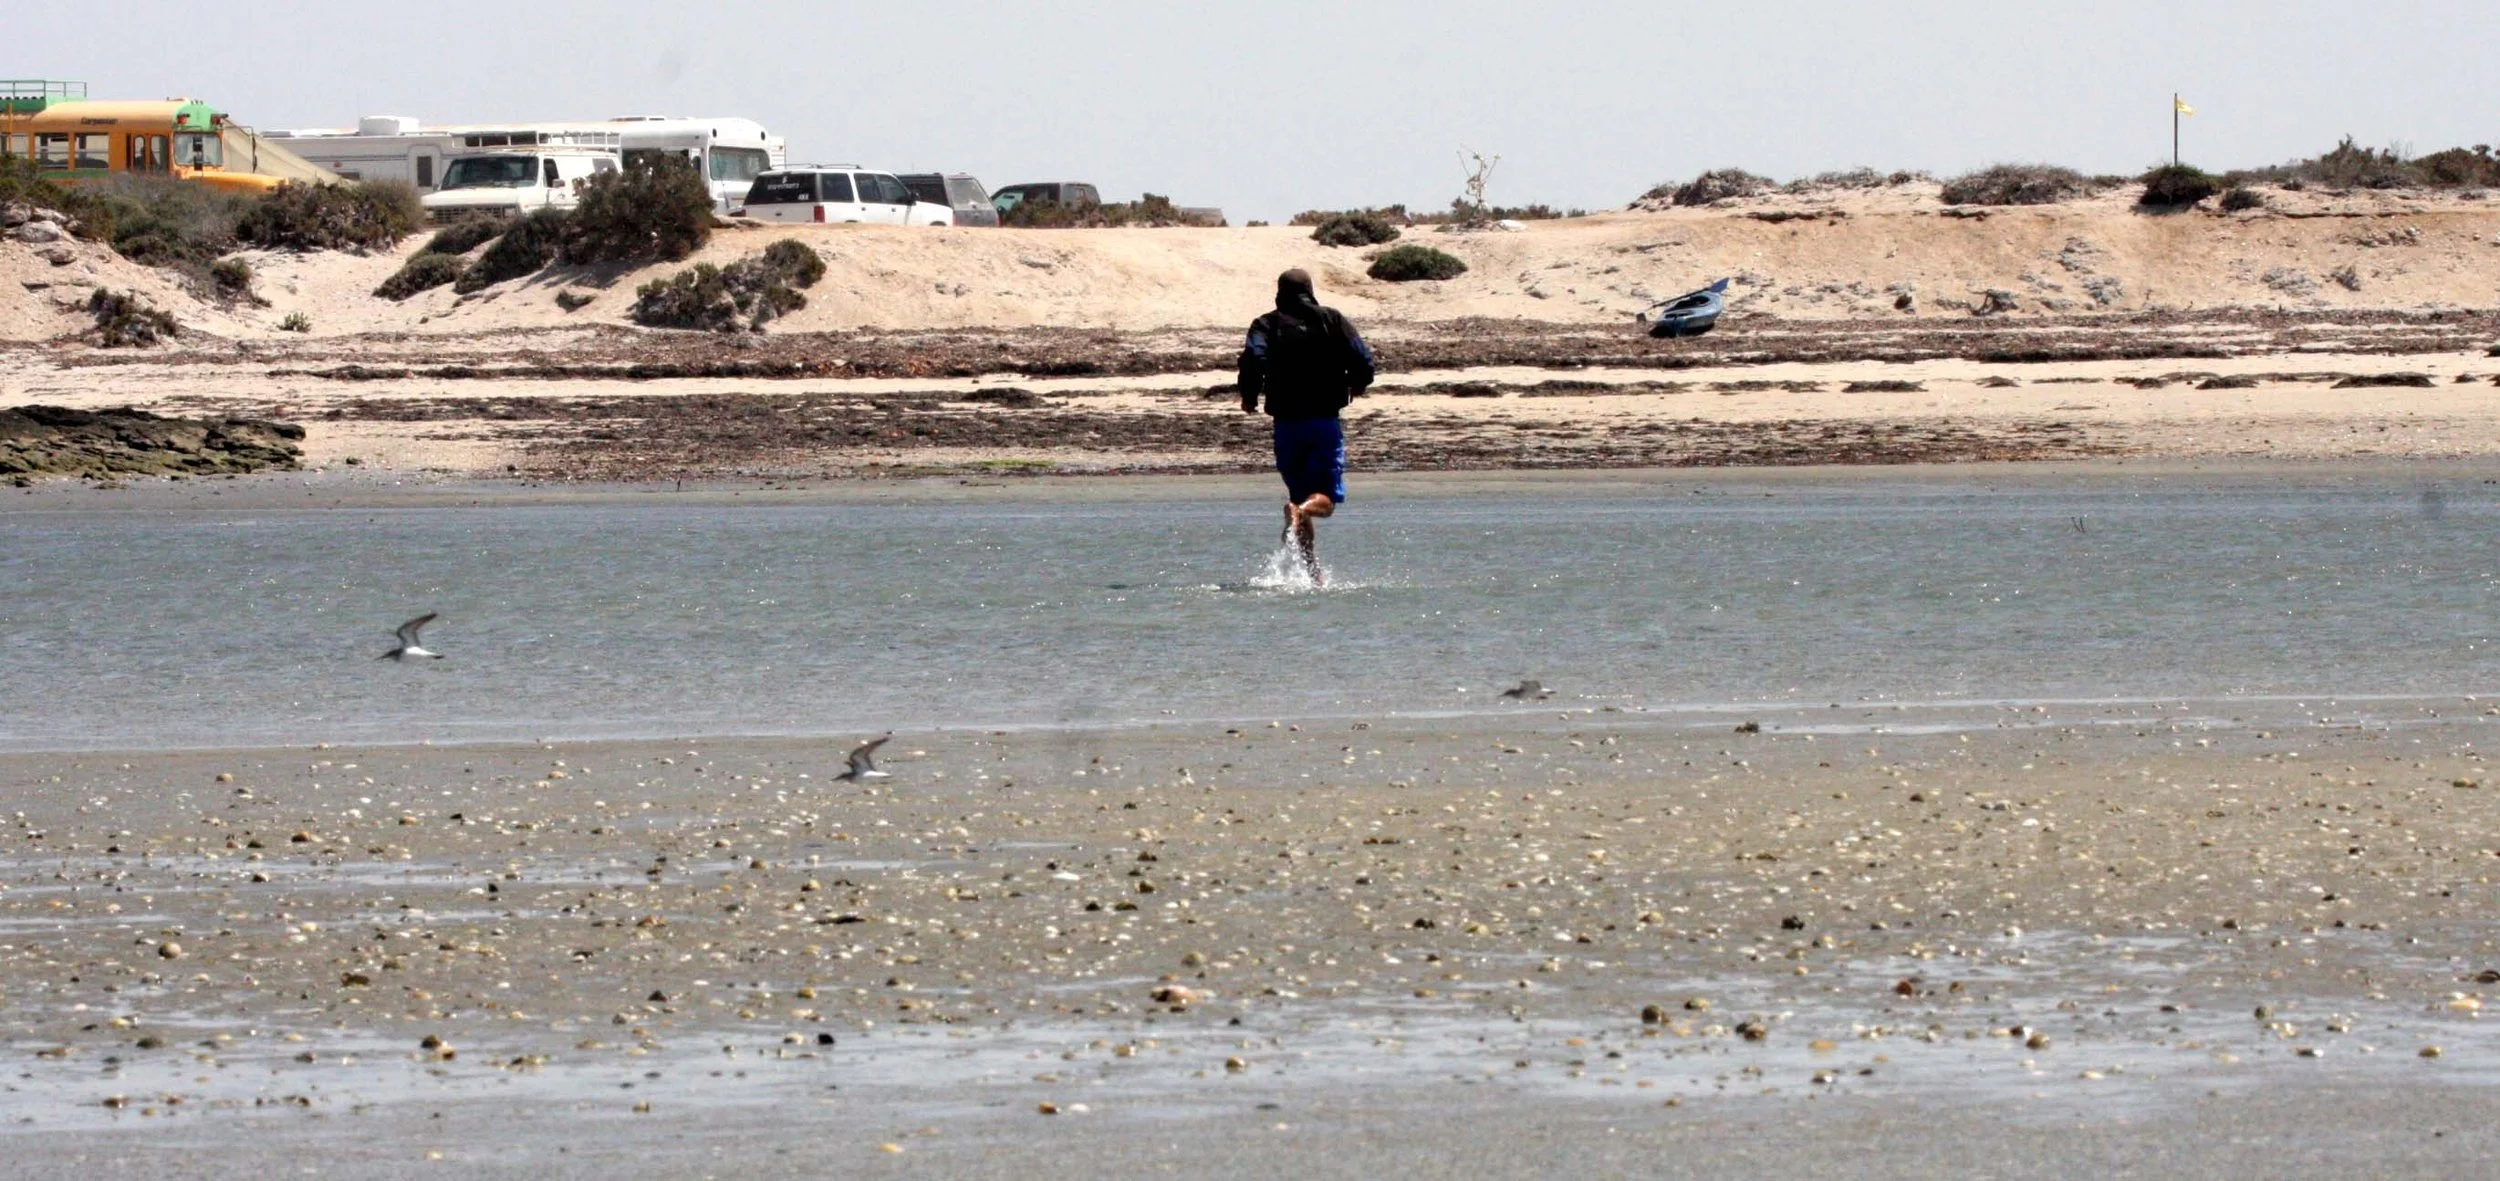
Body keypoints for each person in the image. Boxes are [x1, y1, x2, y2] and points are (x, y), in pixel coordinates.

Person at [1238, 268, 1375, 581]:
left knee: (1299, 497)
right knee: (1322, 501)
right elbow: (1361, 356)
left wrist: (1249, 395)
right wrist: (1359, 383)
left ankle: (1314, 574)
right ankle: (1302, 524)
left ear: (1279, 291)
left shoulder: (1266, 324)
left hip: (1286, 424)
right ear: (1310, 290)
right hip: (1323, 421)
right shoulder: (1331, 319)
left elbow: (1253, 358)